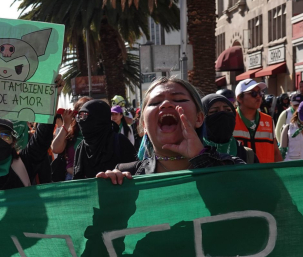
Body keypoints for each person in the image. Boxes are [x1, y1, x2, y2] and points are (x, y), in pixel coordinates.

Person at [96, 77, 244, 182]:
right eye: (155, 102)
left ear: (199, 118)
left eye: (179, 100)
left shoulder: (233, 166)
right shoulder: (128, 175)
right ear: (144, 125)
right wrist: (109, 194)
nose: (166, 104)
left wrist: (201, 159)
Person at [73, 99, 137, 179]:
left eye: (85, 116)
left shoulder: (120, 142)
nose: (81, 121)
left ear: (99, 118)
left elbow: (136, 174)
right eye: (80, 116)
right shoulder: (81, 147)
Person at [233, 79, 282, 163]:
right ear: (239, 98)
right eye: (253, 93)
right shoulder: (230, 119)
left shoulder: (268, 120)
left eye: (260, 93)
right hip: (241, 174)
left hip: (266, 174)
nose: (258, 96)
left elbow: (276, 152)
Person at [201, 94, 258, 164]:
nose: (223, 114)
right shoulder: (194, 154)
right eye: (214, 111)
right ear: (201, 118)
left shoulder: (248, 155)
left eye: (228, 110)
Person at [51, 96, 90, 180]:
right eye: (80, 113)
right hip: (72, 178)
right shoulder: (71, 133)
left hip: (93, 178)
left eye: (87, 113)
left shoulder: (101, 133)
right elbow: (55, 149)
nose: (83, 117)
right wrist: (66, 124)